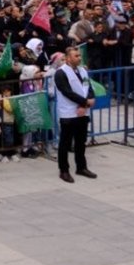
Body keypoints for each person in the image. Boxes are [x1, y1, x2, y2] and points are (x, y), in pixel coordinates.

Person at [53, 47, 96, 183]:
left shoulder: (83, 70)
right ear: (68, 58)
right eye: (76, 56)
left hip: (83, 112)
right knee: (65, 143)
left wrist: (88, 102)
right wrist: (84, 102)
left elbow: (88, 87)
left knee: (80, 141)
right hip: (68, 112)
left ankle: (81, 167)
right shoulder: (60, 73)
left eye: (79, 55)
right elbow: (67, 92)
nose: (79, 57)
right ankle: (64, 170)